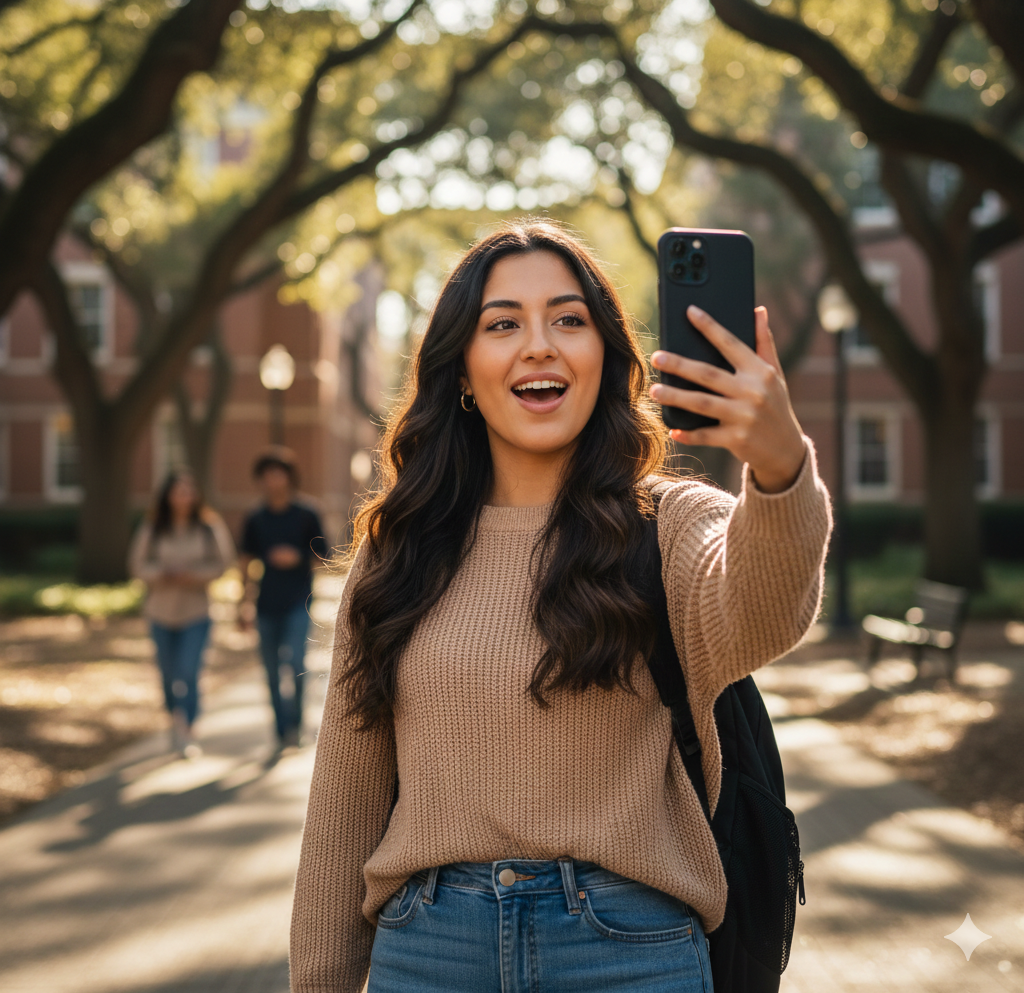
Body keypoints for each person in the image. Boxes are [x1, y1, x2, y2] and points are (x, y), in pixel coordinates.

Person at [289, 221, 831, 993]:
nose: (538, 344)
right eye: (502, 323)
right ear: (464, 373)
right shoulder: (399, 550)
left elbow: (765, 610)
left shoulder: (671, 522)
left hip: (630, 951)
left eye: (569, 320)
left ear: (605, 358)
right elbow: (343, 808)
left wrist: (780, 467)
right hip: (427, 950)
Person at [129, 469, 235, 757]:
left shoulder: (208, 526)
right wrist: (161, 574)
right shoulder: (153, 526)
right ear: (168, 495)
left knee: (189, 672)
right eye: (179, 490)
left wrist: (194, 575)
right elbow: (137, 565)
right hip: (160, 612)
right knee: (167, 674)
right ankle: (174, 721)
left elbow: (224, 564)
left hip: (196, 612)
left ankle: (188, 728)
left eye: (189, 490)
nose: (185, 496)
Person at [240, 448, 329, 749]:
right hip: (266, 604)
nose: (273, 480)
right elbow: (246, 561)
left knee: (296, 661)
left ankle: (297, 724)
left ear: (289, 477)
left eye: (279, 473)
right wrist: (243, 602)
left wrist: (297, 558)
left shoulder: (307, 513)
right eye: (267, 475)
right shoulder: (256, 518)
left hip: (299, 602)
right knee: (271, 669)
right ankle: (281, 729)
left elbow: (325, 555)